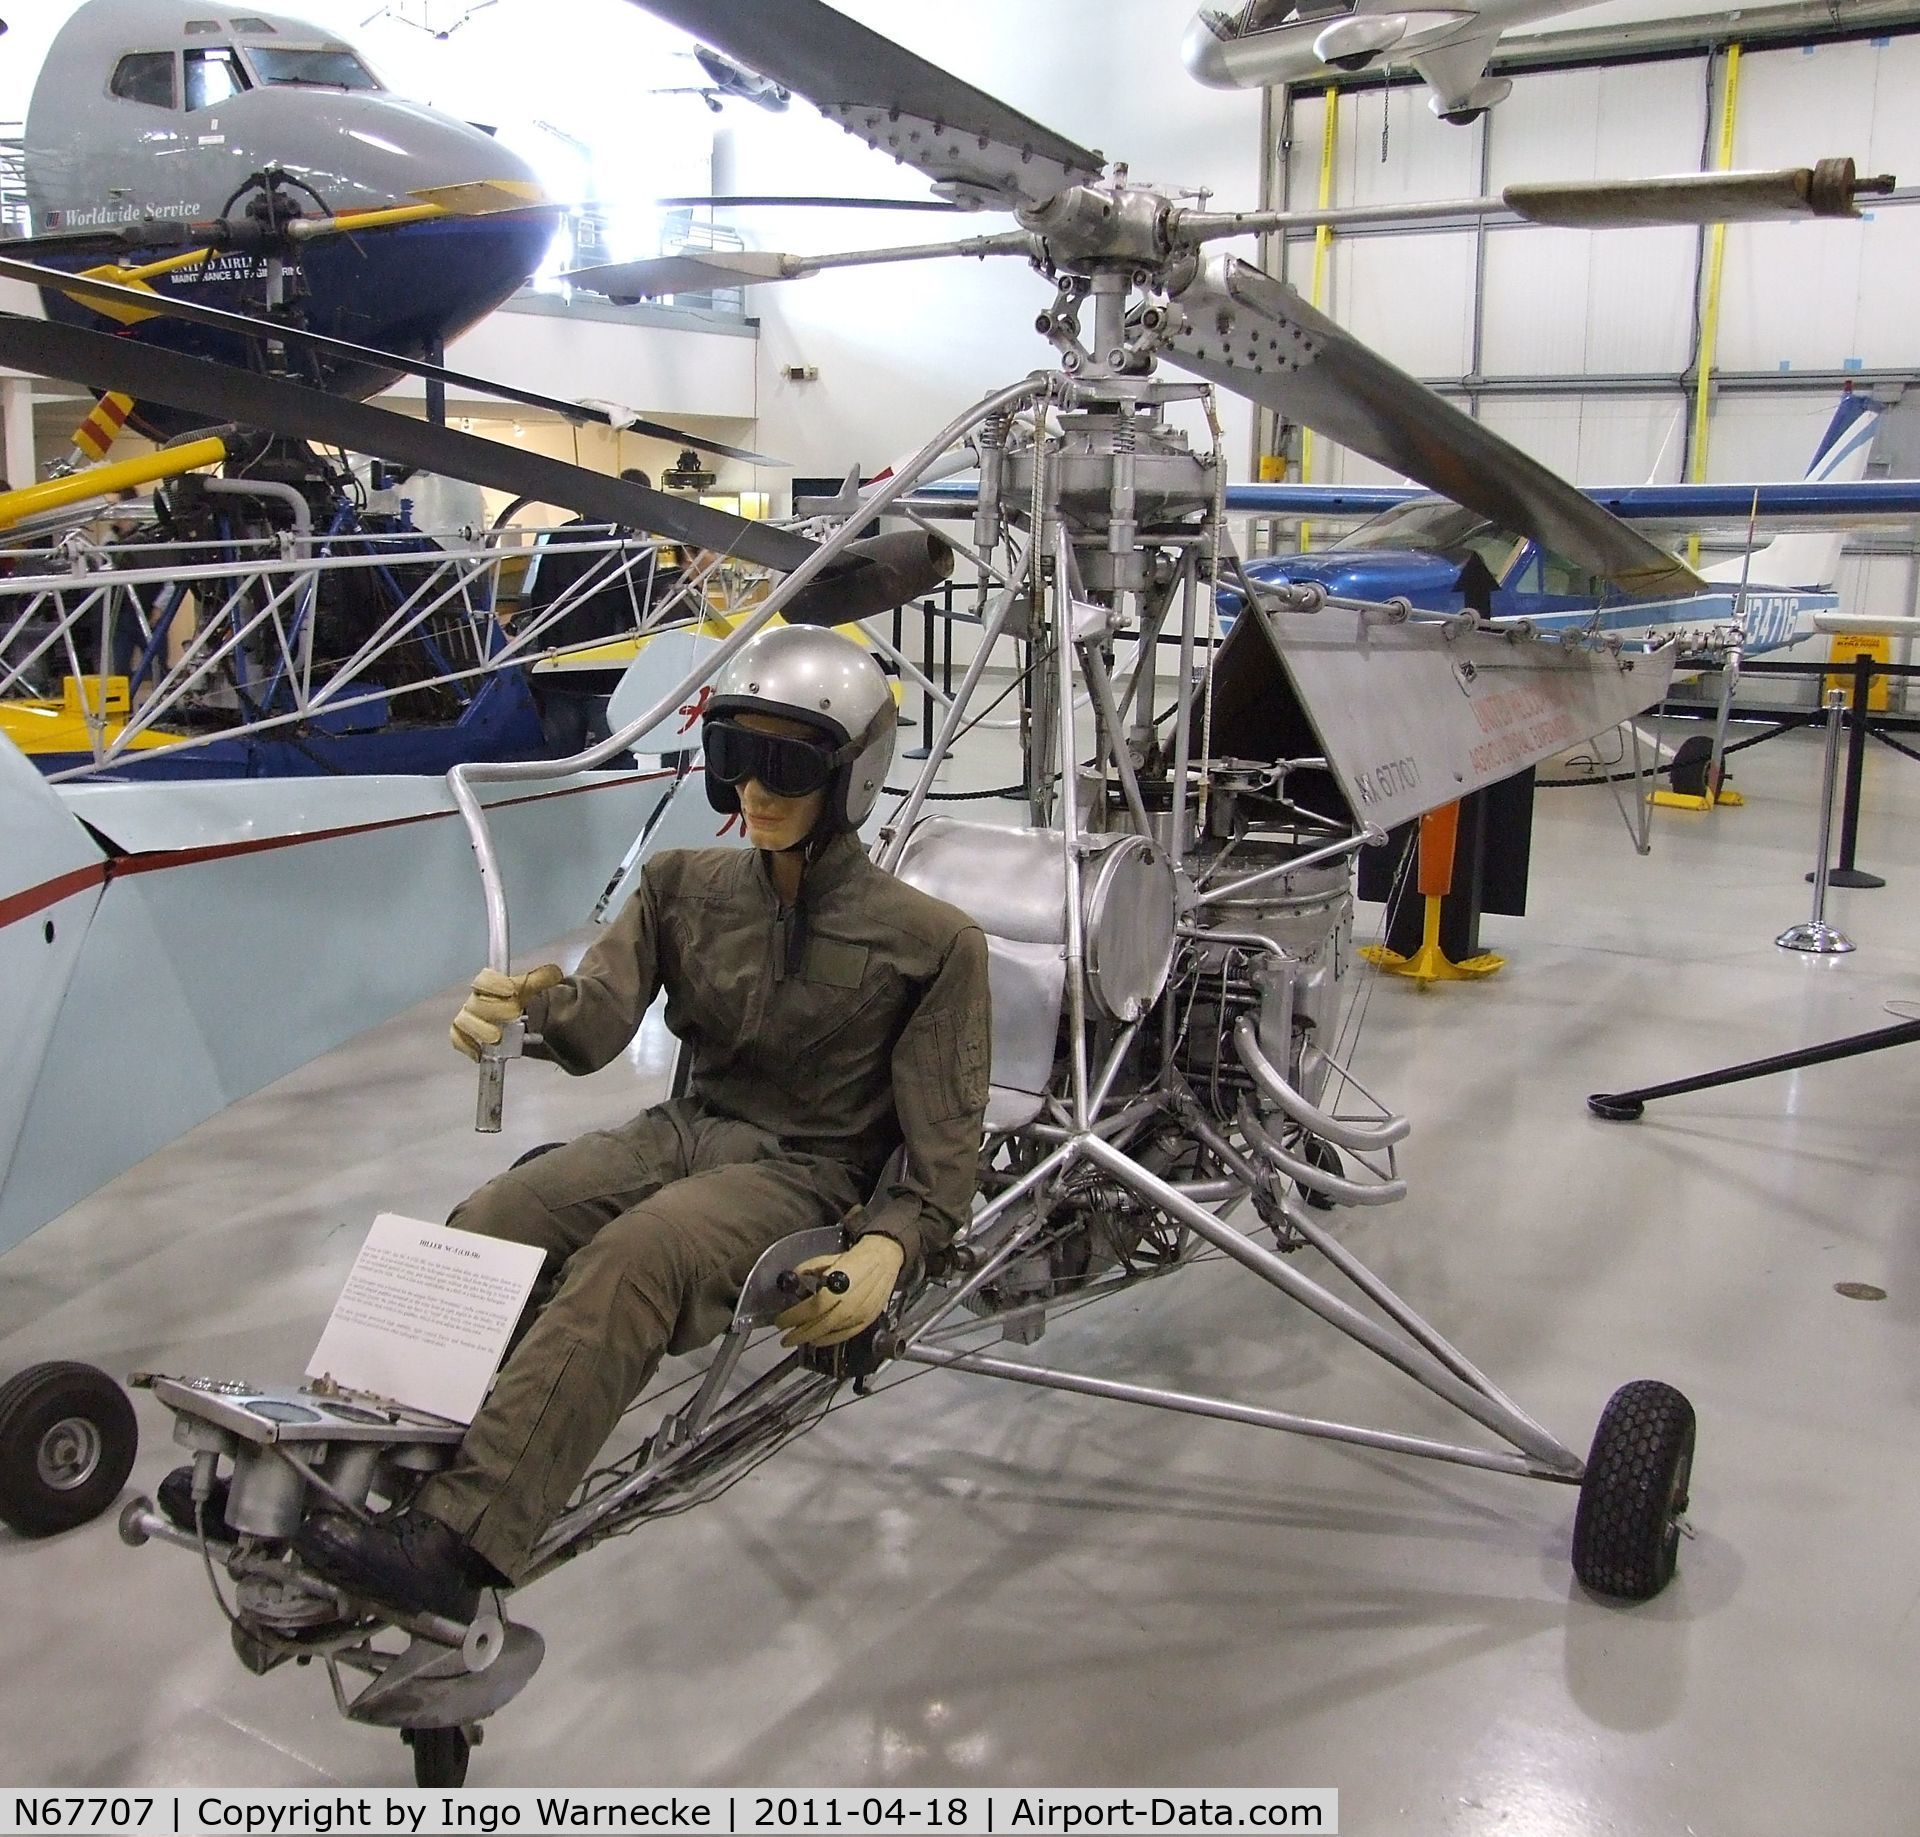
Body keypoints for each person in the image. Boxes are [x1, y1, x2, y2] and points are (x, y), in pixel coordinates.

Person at [287, 624, 992, 1620]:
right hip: (682, 1132)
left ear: (851, 775)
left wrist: (892, 1243)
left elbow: (942, 1147)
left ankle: (456, 1541)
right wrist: (525, 1006)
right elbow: (593, 1028)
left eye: (783, 764)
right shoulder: (681, 887)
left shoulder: (931, 942)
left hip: (806, 1173)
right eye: (734, 758)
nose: (752, 790)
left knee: (637, 1259)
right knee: (497, 1215)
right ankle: (325, 1459)